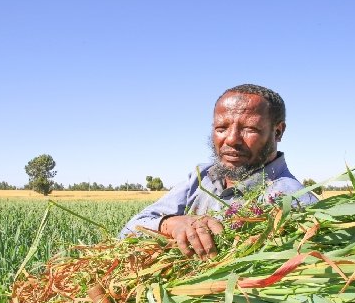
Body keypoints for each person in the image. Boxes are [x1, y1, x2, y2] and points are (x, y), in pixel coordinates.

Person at [119, 83, 317, 259]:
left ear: (278, 131)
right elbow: (129, 230)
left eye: (249, 129)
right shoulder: (201, 179)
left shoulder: (292, 200)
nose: (231, 139)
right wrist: (172, 224)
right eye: (221, 128)